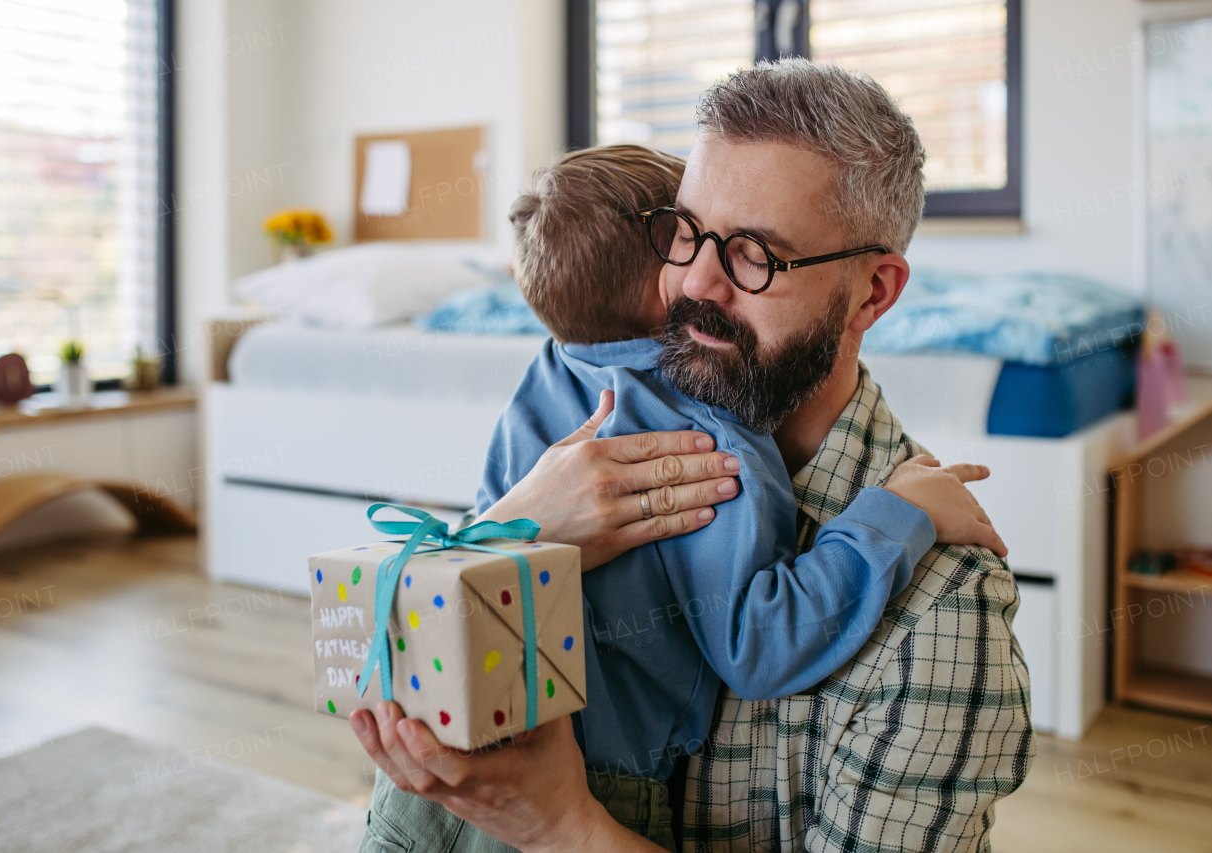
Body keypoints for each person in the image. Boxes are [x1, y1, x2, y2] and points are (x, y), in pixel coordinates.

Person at [354, 57, 1036, 852]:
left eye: (757, 254)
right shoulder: (575, 414)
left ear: (874, 292)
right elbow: (390, 675)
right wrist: (517, 531)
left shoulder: (942, 613)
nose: (695, 283)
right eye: (686, 232)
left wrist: (560, 825)